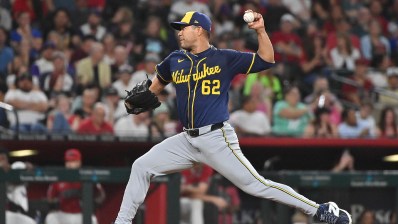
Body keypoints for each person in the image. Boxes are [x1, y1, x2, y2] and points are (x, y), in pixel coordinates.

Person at [114, 11, 351, 224]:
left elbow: (266, 59)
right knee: (141, 166)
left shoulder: (224, 58)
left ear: (199, 30)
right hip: (186, 140)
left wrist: (260, 30)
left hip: (217, 138)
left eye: (183, 28)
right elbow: (153, 88)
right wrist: (135, 100)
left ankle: (319, 210)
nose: (179, 33)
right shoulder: (174, 60)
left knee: (256, 185)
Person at [45, 148, 106, 224]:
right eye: (68, 161)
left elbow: (101, 195)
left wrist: (92, 204)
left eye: (72, 161)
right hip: (63, 214)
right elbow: (50, 198)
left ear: (79, 162)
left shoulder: (87, 175)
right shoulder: (59, 178)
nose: (69, 164)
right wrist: (58, 200)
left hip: (81, 214)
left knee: (92, 219)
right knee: (51, 217)